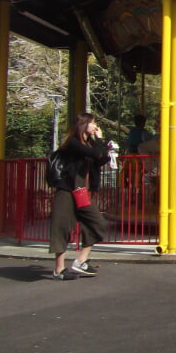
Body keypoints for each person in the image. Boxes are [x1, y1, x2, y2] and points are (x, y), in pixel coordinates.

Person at [50, 112, 112, 280]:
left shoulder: (88, 144)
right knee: (62, 225)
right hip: (67, 189)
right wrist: (99, 139)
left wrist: (107, 154)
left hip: (81, 190)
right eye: (92, 123)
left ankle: (81, 260)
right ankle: (59, 269)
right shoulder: (73, 143)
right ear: (83, 125)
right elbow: (93, 154)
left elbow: (97, 159)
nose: (95, 126)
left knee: (96, 222)